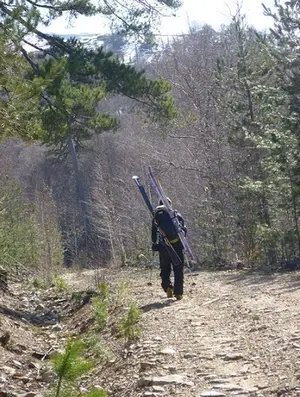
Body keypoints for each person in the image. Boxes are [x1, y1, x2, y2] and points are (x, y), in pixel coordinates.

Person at [151, 197, 187, 300]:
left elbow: (154, 234)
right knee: (178, 268)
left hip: (163, 246)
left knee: (165, 268)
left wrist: (155, 243)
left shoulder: (156, 217)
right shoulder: (175, 215)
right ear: (169, 204)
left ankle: (168, 288)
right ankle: (178, 293)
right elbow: (183, 230)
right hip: (176, 245)